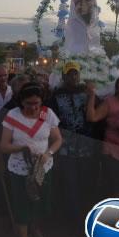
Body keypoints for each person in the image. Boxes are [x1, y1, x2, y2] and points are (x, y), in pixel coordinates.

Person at [0, 82, 63, 237]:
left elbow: (58, 139)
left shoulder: (47, 114)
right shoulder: (12, 116)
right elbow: (3, 146)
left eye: (37, 103)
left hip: (43, 169)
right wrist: (22, 148)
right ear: (21, 102)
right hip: (20, 170)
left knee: (39, 204)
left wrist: (48, 154)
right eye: (29, 103)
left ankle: (36, 229)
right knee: (22, 209)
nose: (33, 107)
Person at [48, 61, 96, 223]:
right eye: (70, 74)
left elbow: (95, 113)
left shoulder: (86, 92)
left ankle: (87, 215)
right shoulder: (56, 95)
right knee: (70, 182)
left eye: (76, 73)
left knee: (86, 180)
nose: (73, 77)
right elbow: (51, 119)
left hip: (85, 146)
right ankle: (74, 218)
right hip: (65, 147)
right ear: (63, 76)